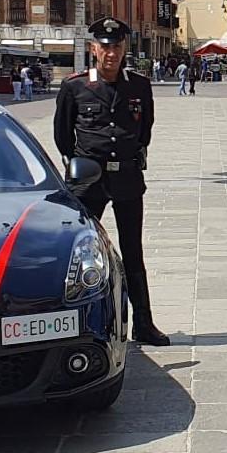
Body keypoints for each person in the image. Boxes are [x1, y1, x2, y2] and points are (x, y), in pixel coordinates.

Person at [54, 18, 170, 347]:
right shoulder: (75, 87)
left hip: (128, 178)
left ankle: (144, 324)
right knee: (78, 250)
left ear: (124, 50)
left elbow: (144, 128)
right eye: (105, 47)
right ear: (94, 49)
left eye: (117, 47)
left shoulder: (138, 86)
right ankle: (76, 323)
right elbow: (63, 137)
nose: (111, 54)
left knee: (133, 251)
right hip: (89, 180)